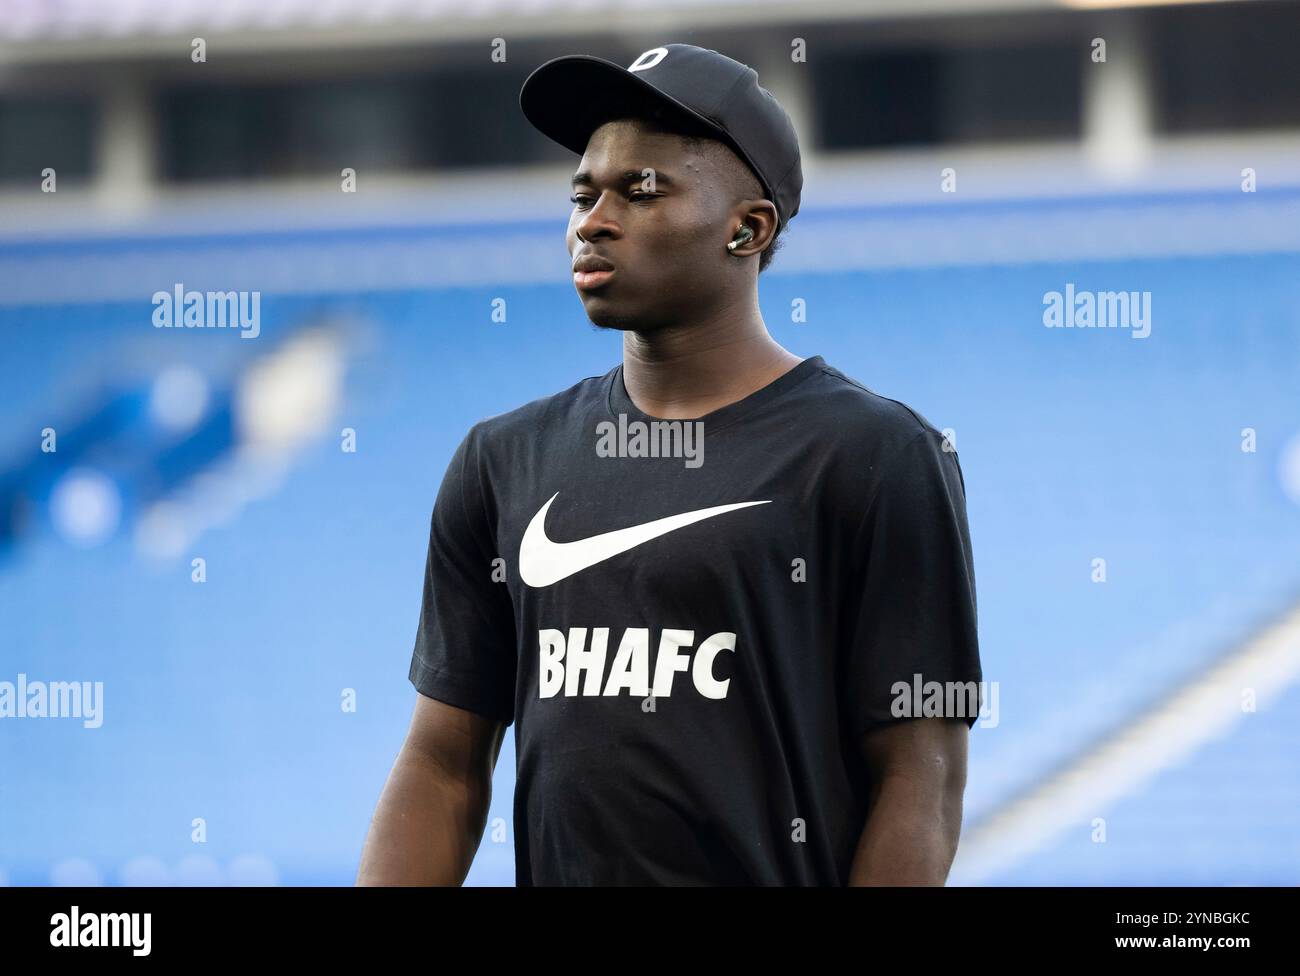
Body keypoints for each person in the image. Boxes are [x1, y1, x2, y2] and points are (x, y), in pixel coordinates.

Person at [357, 43, 982, 886]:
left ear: (747, 227)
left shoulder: (877, 455)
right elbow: (441, 767)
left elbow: (923, 780)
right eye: (583, 195)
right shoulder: (501, 460)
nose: (593, 220)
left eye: (640, 190)